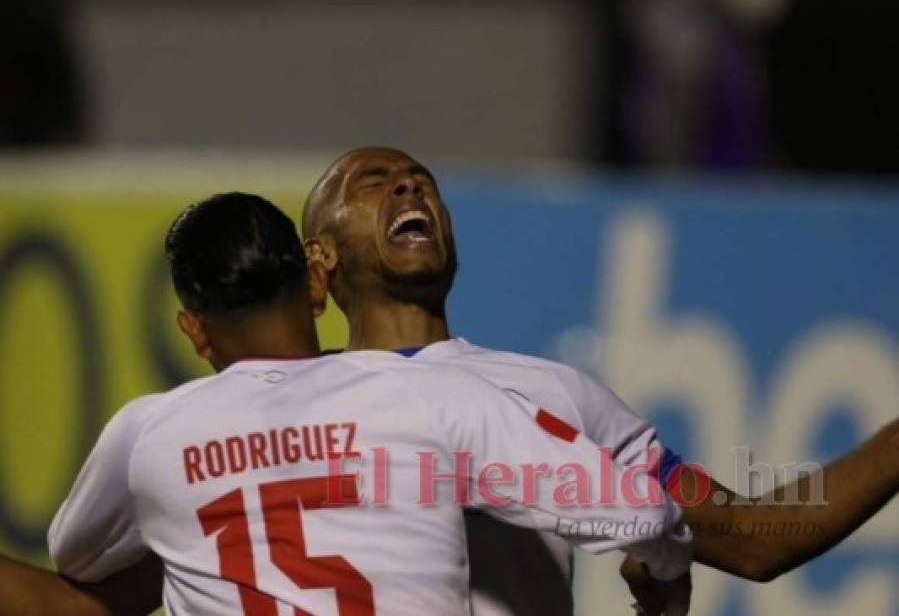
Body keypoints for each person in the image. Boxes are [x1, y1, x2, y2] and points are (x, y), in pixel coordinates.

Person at [300, 146, 899, 614]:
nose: (410, 185)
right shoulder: (280, 411)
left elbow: (754, 537)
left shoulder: (559, 397)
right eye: (374, 181)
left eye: (420, 177)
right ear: (317, 265)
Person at [37, 193, 692, 615]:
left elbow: (75, 559)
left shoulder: (148, 433)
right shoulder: (430, 396)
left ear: (194, 328)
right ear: (316, 286)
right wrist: (664, 568)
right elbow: (640, 510)